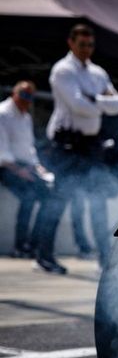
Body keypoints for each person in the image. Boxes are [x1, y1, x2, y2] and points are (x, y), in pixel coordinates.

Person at [34, 24, 118, 273]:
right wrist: (100, 102)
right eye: (82, 44)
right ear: (71, 43)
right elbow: (77, 105)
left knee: (98, 202)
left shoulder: (98, 73)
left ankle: (105, 259)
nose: (87, 49)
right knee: (58, 201)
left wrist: (93, 99)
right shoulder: (63, 70)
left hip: (90, 146)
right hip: (66, 145)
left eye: (90, 45)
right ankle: (43, 256)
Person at [0, 81, 53, 258]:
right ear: (15, 94)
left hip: (25, 167)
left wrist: (37, 166)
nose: (26, 101)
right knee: (28, 197)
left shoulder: (26, 117)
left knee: (48, 197)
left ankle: (34, 244)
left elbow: (28, 148)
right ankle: (19, 245)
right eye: (23, 96)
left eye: (29, 97)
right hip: (6, 167)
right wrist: (18, 171)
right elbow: (2, 151)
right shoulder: (3, 114)